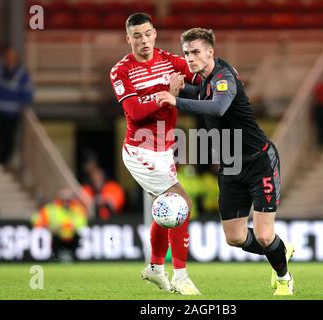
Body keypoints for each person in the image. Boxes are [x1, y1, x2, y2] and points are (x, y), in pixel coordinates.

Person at [156, 28, 295, 295]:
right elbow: (203, 96)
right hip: (230, 164)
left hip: (259, 162)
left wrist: (176, 99)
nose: (190, 58)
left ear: (210, 52)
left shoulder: (224, 77)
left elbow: (218, 106)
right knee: (235, 238)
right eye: (186, 53)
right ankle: (280, 249)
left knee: (264, 235)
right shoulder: (206, 80)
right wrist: (185, 89)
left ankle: (284, 278)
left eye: (196, 52)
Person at [109, 13, 201, 295]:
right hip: (139, 150)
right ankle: (181, 276)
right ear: (128, 39)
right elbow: (134, 111)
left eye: (147, 34)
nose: (143, 40)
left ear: (155, 33)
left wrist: (225, 79)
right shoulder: (120, 71)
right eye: (137, 36)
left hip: (164, 151)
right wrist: (167, 93)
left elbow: (200, 75)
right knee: (181, 204)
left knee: (167, 213)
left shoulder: (169, 61)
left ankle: (155, 268)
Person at [0, 46, 33, 164]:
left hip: (11, 113)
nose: (9, 59)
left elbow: (27, 92)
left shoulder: (22, 75)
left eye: (11, 56)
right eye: (7, 56)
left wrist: (23, 104)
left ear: (15, 58)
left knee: (8, 141)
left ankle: (2, 162)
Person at [31, 188, 87, 262]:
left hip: (72, 237)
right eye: (64, 198)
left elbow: (82, 221)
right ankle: (55, 259)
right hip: (57, 236)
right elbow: (36, 219)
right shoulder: (51, 208)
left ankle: (75, 259)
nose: (66, 201)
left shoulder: (77, 208)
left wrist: (71, 225)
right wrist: (47, 226)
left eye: (68, 198)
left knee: (78, 238)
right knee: (54, 242)